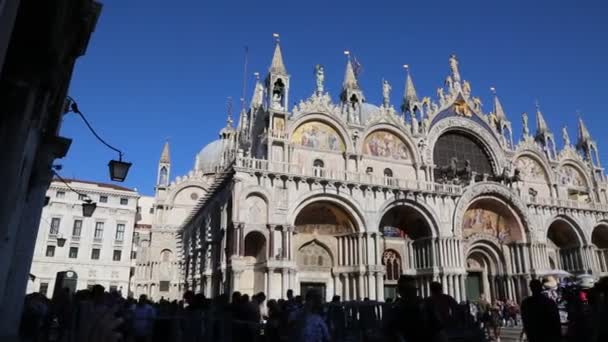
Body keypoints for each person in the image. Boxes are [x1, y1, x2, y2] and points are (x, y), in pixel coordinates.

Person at [384, 275, 444, 342]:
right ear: (399, 291)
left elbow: (439, 332)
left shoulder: (427, 308)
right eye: (407, 290)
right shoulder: (394, 312)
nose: (411, 293)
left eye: (413, 289)